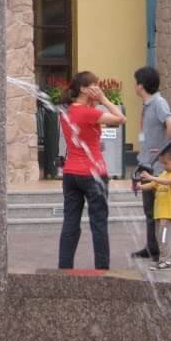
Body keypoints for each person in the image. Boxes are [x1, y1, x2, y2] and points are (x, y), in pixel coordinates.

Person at [57, 71, 125, 272]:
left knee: (70, 221)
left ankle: (64, 267)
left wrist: (94, 101)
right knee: (98, 222)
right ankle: (102, 269)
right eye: (94, 86)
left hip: (70, 173)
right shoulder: (90, 113)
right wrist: (104, 99)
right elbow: (120, 119)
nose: (98, 89)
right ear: (84, 89)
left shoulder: (67, 112)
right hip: (93, 174)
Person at [131, 66, 171, 262]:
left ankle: (169, 252)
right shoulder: (148, 104)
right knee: (150, 212)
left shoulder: (159, 103)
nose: (134, 86)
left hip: (157, 168)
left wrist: (162, 152)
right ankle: (153, 247)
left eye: (135, 82)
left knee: (164, 214)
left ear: (141, 85)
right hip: (147, 165)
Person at [139, 155, 171, 269]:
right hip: (159, 212)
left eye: (166, 163)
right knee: (162, 237)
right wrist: (140, 186)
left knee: (163, 238)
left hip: (169, 213)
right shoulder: (163, 174)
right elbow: (152, 185)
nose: (164, 166)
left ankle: (164, 261)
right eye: (162, 164)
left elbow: (168, 181)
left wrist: (152, 177)